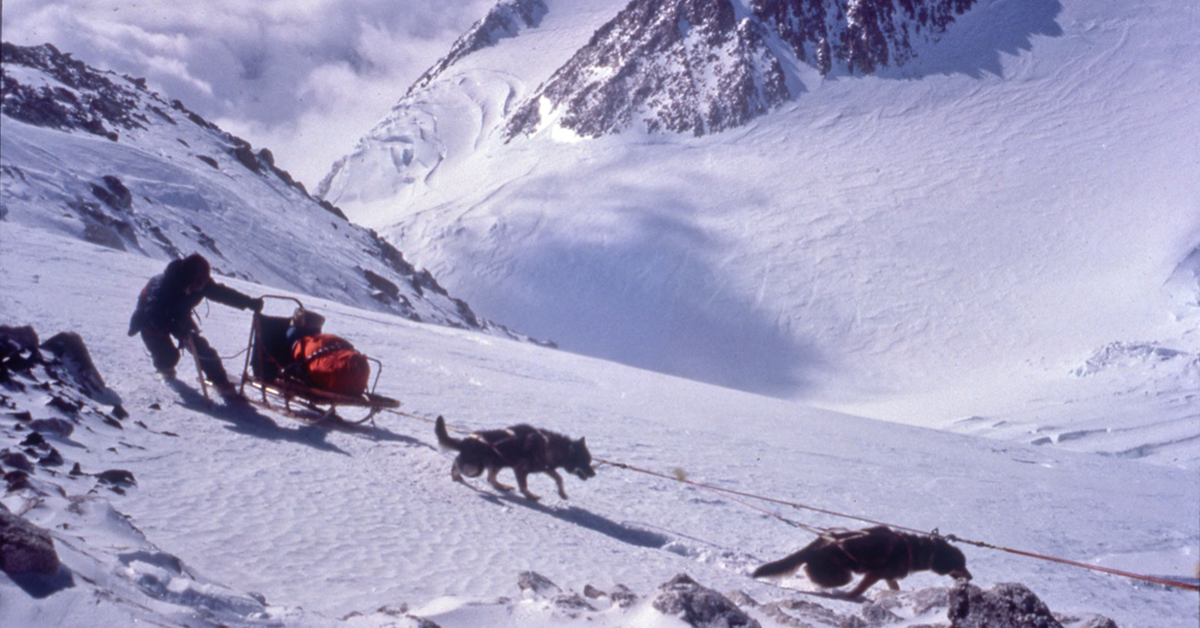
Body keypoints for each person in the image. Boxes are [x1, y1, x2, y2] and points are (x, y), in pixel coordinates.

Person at [127, 253, 262, 397]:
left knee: (201, 348)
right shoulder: (163, 286)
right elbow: (154, 313)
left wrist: (248, 302)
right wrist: (176, 326)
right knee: (169, 356)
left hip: (178, 315)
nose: (200, 288)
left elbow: (222, 294)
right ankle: (165, 370)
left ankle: (221, 382)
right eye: (198, 284)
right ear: (188, 279)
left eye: (203, 284)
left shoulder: (201, 282)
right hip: (149, 320)